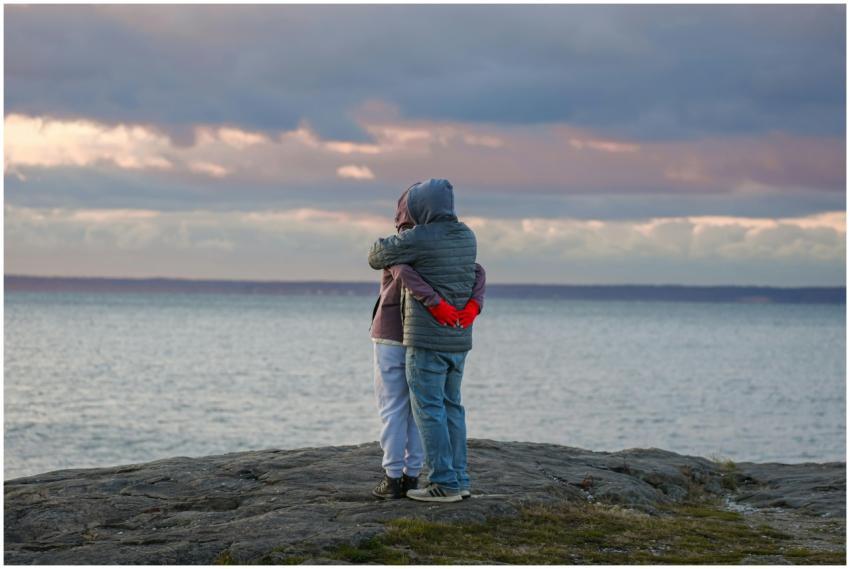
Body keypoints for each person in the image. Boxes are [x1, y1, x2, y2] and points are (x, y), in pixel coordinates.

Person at [369, 179, 482, 503]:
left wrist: (431, 300)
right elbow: (477, 272)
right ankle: (458, 479)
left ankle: (438, 482)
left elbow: (378, 255)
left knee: (422, 410)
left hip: (422, 337)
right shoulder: (466, 235)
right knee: (451, 408)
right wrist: (472, 306)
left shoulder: (420, 238)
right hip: (457, 339)